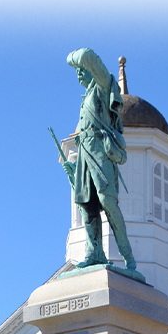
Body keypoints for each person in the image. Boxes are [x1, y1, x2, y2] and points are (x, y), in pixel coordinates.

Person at [59, 48, 138, 272]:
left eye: (82, 71)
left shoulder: (103, 87)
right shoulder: (85, 100)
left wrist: (74, 59)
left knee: (107, 201)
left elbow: (88, 57)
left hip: (100, 153)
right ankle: (95, 253)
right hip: (85, 153)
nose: (79, 74)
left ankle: (128, 257)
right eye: (77, 72)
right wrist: (74, 167)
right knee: (87, 205)